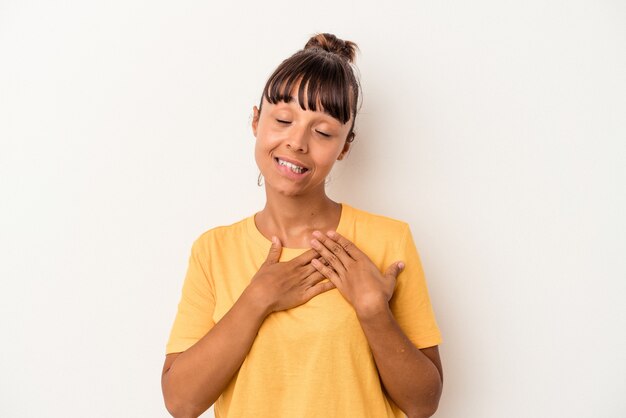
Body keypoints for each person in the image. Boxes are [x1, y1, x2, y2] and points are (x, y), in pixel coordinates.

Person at [161, 33, 443, 418]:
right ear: (256, 121)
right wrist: (258, 299)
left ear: (345, 146)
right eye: (282, 119)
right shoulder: (213, 250)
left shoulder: (387, 240)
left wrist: (373, 311)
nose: (297, 142)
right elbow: (181, 402)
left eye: (323, 132)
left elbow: (423, 403)